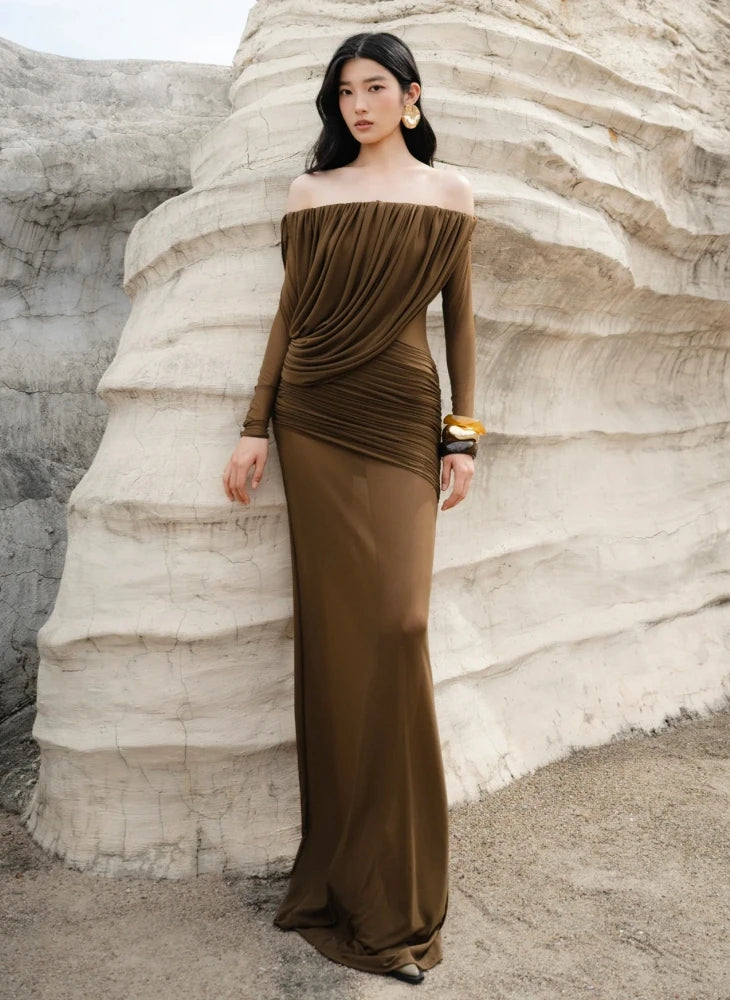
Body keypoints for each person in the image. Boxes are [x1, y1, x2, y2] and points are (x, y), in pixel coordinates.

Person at [222, 31, 485, 986]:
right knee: (336, 643)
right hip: (314, 418)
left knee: (399, 623)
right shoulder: (309, 195)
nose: (358, 105)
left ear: (412, 98)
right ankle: (343, 877)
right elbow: (288, 317)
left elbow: (457, 320)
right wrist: (255, 426)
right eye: (344, 92)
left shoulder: (450, 194)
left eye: (375, 88)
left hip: (403, 419)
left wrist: (464, 433)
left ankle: (404, 893)